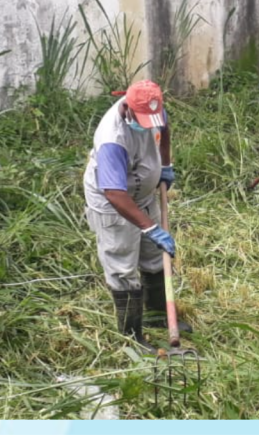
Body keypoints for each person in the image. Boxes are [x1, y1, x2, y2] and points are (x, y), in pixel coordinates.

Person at [83, 78, 181, 352]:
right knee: (123, 266)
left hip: (143, 194)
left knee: (155, 256)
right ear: (127, 107)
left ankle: (158, 314)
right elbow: (115, 193)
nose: (149, 125)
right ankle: (132, 335)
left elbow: (164, 129)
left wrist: (165, 165)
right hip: (114, 202)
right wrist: (150, 227)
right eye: (143, 121)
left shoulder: (152, 108)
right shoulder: (112, 139)